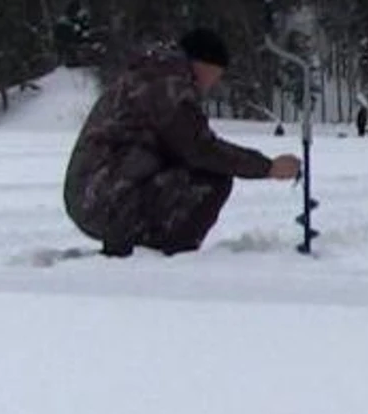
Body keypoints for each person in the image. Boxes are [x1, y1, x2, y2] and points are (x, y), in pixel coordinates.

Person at [63, 27, 300, 257]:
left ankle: (135, 247)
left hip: (95, 194)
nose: (212, 85)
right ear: (205, 65)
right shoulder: (169, 85)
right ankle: (169, 257)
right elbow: (200, 149)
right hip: (101, 199)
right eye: (216, 75)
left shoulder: (153, 75)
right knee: (211, 179)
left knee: (194, 171)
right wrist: (267, 167)